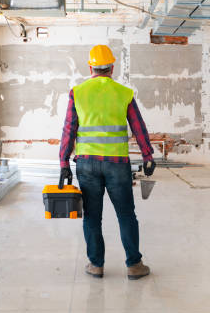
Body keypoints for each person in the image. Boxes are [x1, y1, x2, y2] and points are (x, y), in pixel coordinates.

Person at [59, 44, 156, 280]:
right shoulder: (124, 93)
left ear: (90, 67)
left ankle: (96, 265)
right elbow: (138, 127)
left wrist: (63, 162)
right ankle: (134, 265)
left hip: (87, 165)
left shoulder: (78, 92)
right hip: (117, 165)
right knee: (126, 215)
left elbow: (69, 129)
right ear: (112, 68)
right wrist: (147, 155)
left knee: (93, 216)